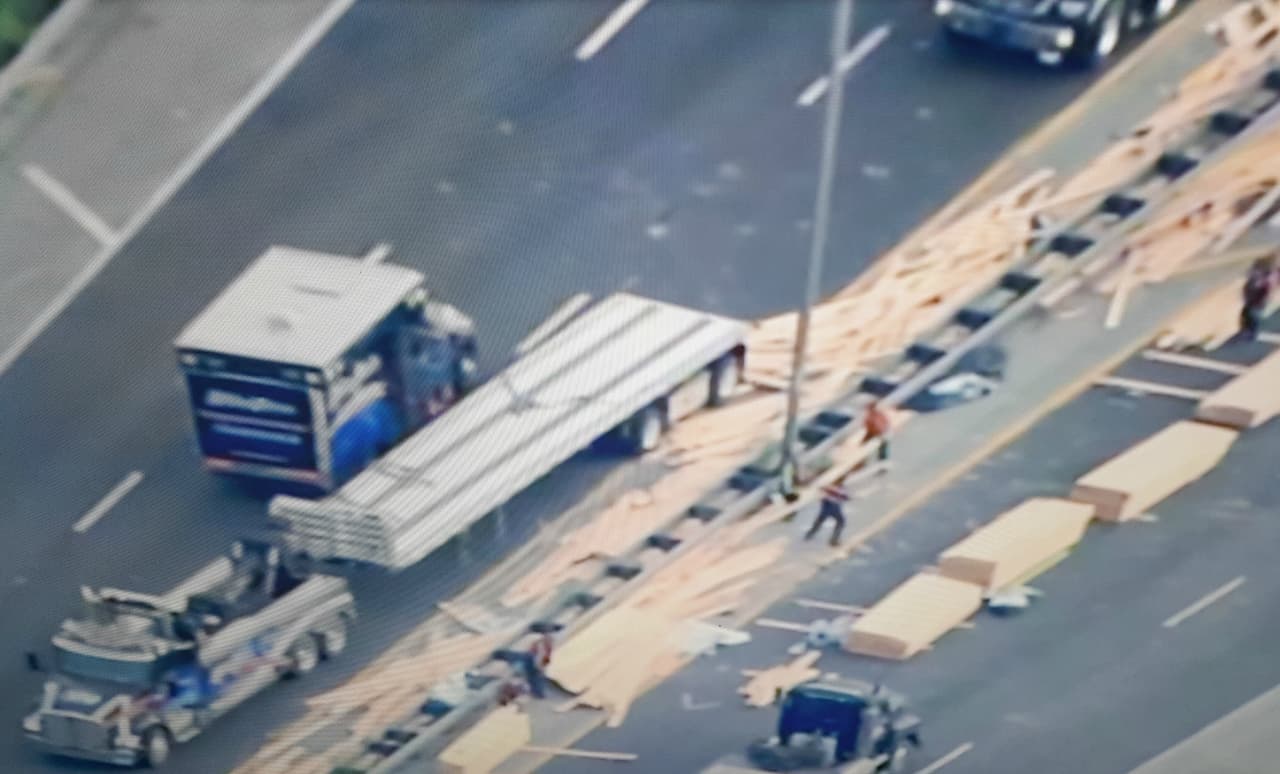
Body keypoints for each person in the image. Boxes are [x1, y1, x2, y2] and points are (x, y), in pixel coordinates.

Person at [1240, 257, 1277, 340]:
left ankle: (1251, 333)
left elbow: (1265, 291)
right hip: (1253, 301)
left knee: (1252, 317)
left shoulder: (1266, 280)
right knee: (1248, 315)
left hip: (1256, 302)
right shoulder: (1263, 277)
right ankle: (1248, 331)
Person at [521, 631, 554, 699]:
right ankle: (535, 691)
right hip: (534, 664)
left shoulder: (547, 648)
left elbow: (546, 658)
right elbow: (531, 652)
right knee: (533, 677)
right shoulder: (539, 644)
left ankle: (537, 692)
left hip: (537, 666)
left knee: (535, 678)